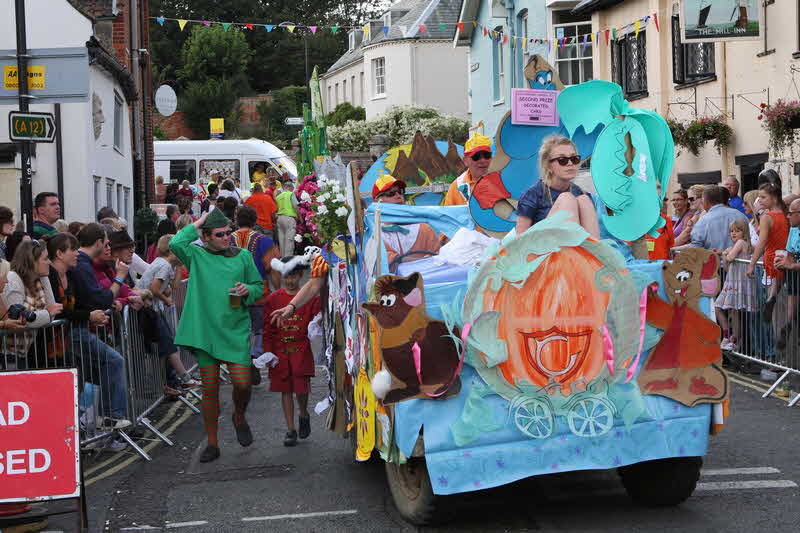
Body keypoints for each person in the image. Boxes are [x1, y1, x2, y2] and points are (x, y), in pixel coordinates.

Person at [170, 209, 263, 463]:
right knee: (210, 389)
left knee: (243, 383)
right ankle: (212, 443)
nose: (226, 238)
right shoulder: (196, 255)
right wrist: (198, 223)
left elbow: (258, 286)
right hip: (206, 332)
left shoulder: (243, 257)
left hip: (234, 329)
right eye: (219, 234)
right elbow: (175, 242)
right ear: (207, 237)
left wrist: (248, 290)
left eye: (228, 233)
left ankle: (239, 416)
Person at [70, 223, 132, 430]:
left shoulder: (82, 263)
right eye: (105, 243)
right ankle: (110, 416)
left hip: (81, 327)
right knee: (114, 361)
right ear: (98, 243)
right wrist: (119, 277)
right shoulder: (82, 264)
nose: (107, 247)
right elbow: (102, 298)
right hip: (74, 330)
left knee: (89, 373)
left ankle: (93, 423)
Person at [264, 256, 321, 446]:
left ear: (301, 275)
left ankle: (303, 413)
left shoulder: (309, 297)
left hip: (301, 349)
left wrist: (317, 323)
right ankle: (290, 429)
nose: (289, 281)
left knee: (301, 389)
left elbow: (317, 320)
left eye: (294, 276)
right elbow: (268, 328)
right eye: (286, 276)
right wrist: (268, 352)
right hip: (280, 351)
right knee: (285, 390)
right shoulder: (273, 299)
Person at [136, 234, 198, 394]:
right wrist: (166, 299)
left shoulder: (166, 265)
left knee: (167, 345)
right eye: (181, 250)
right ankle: (183, 378)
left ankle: (171, 381)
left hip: (153, 310)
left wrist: (179, 267)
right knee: (168, 344)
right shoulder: (163, 265)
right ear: (172, 251)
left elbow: (174, 287)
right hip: (148, 310)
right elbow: (154, 288)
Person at [515, 134, 600, 238]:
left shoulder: (581, 193)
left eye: (574, 159)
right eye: (562, 160)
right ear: (548, 166)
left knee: (584, 200)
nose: (570, 164)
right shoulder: (532, 195)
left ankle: (587, 253)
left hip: (580, 248)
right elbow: (519, 239)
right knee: (567, 198)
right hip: (542, 249)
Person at [233, 206, 281, 384]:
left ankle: (242, 362)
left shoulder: (227, 240)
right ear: (255, 221)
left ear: (237, 220)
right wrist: (278, 289)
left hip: (235, 294)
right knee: (259, 329)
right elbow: (272, 267)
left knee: (239, 329)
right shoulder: (264, 241)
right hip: (260, 293)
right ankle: (254, 358)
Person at [1, 240, 62, 368]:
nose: (49, 262)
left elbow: (52, 309)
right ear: (32, 261)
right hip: (8, 353)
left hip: (24, 351)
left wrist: (45, 277)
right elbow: (19, 319)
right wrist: (47, 314)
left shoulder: (37, 279)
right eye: (45, 259)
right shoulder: (14, 279)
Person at [372, 175, 442, 270]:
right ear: (377, 201)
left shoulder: (424, 229)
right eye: (390, 193)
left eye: (400, 192)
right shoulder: (373, 234)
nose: (398, 196)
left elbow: (439, 260)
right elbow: (380, 261)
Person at [747, 183, 789, 322]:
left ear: (774, 198)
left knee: (776, 314)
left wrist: (752, 263)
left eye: (763, 197)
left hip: (772, 259)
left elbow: (761, 242)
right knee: (784, 304)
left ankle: (771, 298)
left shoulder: (767, 217)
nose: (760, 201)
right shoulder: (786, 213)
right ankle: (772, 297)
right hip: (786, 258)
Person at [715, 220, 755, 351]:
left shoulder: (741, 243)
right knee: (720, 307)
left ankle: (735, 339)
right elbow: (726, 267)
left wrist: (725, 253)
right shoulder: (734, 245)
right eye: (731, 231)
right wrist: (725, 255)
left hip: (738, 283)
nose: (733, 233)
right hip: (731, 281)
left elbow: (730, 257)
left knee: (734, 311)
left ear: (744, 233)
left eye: (737, 231)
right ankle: (728, 336)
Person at [686, 185, 747, 250]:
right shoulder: (740, 215)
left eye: (703, 200)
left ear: (706, 201)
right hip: (738, 258)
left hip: (713, 259)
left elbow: (695, 248)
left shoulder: (703, 221)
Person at [774, 198, 800, 350]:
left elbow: (792, 262)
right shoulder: (793, 230)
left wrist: (791, 264)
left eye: (791, 213)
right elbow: (789, 254)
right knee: (793, 313)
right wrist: (783, 262)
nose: (787, 216)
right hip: (795, 277)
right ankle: (789, 324)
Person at [444, 133, 494, 206]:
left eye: (487, 155)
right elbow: (448, 216)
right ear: (465, 161)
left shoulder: (503, 181)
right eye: (476, 157)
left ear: (491, 158)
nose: (483, 160)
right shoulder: (457, 186)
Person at [275, 182, 299, 256]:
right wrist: (300, 217)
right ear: (289, 187)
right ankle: (288, 260)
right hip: (289, 218)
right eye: (292, 189)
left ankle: (282, 258)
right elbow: (295, 206)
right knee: (289, 240)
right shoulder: (290, 194)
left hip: (279, 219)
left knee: (281, 240)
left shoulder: (278, 197)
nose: (292, 190)